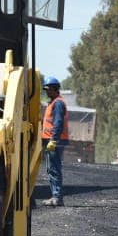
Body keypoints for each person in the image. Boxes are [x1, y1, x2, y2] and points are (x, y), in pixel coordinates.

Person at [41, 75, 68, 207]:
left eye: (48, 89)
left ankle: (57, 197)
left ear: (54, 89)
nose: (46, 92)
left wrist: (53, 140)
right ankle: (55, 196)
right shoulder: (53, 103)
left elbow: (58, 123)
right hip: (51, 140)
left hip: (55, 141)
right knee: (51, 169)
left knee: (55, 169)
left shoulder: (58, 103)